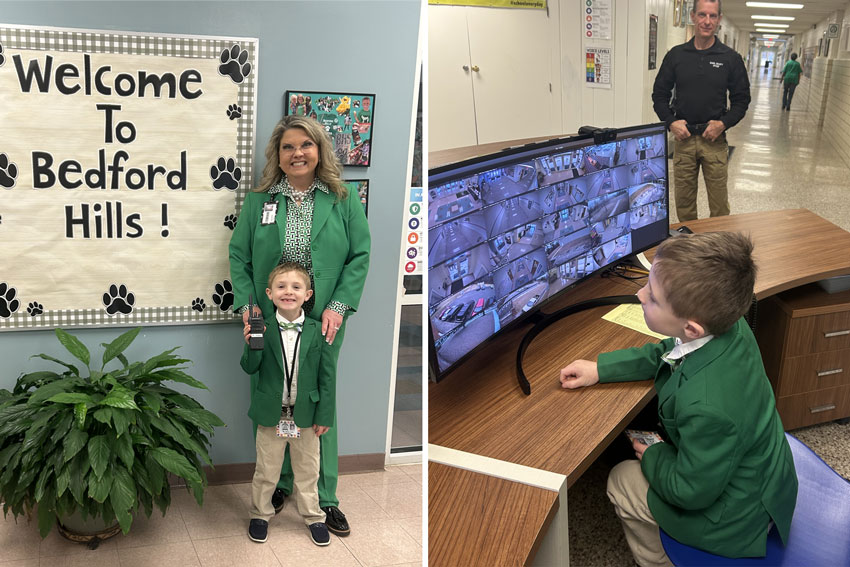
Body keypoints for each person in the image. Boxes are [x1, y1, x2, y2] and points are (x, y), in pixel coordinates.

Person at [558, 232, 797, 566]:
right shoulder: (731, 325)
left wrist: (654, 455)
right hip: (765, 475)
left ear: (693, 328)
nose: (640, 295)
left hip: (736, 518)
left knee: (620, 480)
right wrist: (601, 367)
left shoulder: (708, 408)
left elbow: (690, 491)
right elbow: (669, 350)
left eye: (653, 297)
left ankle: (660, 560)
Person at [229, 115, 371, 537]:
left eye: (305, 146)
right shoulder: (260, 201)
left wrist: (339, 306)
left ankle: (325, 498)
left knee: (317, 397)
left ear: (319, 150)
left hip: (324, 315)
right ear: (278, 154)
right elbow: (239, 257)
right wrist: (249, 308)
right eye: (288, 147)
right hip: (268, 316)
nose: (297, 154)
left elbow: (359, 256)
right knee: (274, 393)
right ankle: (280, 486)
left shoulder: (343, 198)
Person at [242, 263, 333, 546]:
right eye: (281, 287)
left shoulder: (319, 330)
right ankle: (260, 514)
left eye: (296, 287)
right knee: (266, 470)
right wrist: (251, 344)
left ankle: (314, 517)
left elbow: (327, 377)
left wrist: (325, 415)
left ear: (308, 294)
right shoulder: (263, 328)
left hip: (306, 415)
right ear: (269, 294)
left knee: (308, 471)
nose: (288, 292)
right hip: (272, 414)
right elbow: (249, 368)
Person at [651, 0, 751, 221]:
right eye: (703, 15)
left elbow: (742, 100)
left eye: (713, 16)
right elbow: (659, 96)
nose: (707, 21)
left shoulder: (730, 59)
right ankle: (690, 249)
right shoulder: (676, 56)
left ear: (719, 19)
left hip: (714, 141)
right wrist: (671, 122)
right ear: (693, 16)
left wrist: (723, 123)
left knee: (719, 207)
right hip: (684, 139)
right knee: (684, 205)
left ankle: (720, 250)